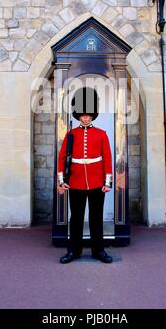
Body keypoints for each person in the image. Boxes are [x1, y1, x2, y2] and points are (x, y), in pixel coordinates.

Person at [57, 87, 113, 264]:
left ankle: (99, 251)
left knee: (97, 218)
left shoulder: (101, 134)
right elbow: (62, 158)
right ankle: (74, 251)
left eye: (88, 114)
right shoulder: (71, 135)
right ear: (78, 115)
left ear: (92, 115)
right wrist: (61, 181)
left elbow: (107, 158)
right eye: (83, 115)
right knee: (76, 219)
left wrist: (107, 181)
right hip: (76, 182)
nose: (86, 117)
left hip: (97, 182)